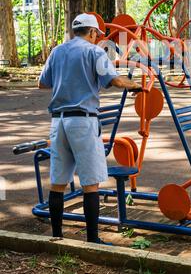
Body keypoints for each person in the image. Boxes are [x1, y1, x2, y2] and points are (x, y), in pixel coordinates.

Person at [38, 13, 142, 244]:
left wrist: (66, 82)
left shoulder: (57, 51)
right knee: (90, 183)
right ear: (93, 32)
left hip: (58, 122)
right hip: (83, 122)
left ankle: (57, 238)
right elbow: (114, 81)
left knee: (58, 182)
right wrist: (137, 86)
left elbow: (42, 82)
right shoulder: (95, 52)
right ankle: (93, 240)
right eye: (97, 34)